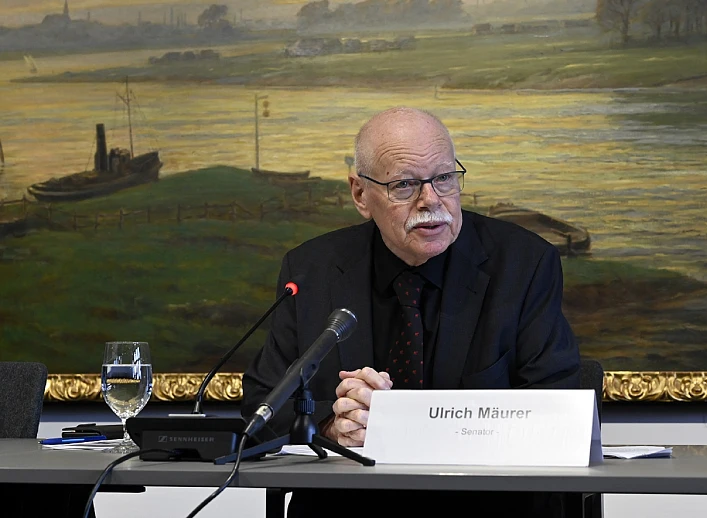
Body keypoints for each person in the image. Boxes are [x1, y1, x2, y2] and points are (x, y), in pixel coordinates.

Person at [241, 107, 580, 517]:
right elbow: (260, 411)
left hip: (486, 507)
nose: (431, 200)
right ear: (360, 195)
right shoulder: (311, 270)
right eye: (404, 185)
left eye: (443, 178)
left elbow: (558, 413)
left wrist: (399, 424)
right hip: (350, 508)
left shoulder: (524, 264)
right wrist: (331, 430)